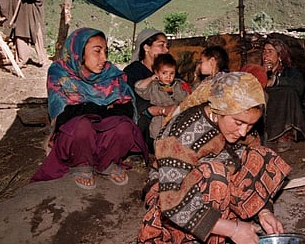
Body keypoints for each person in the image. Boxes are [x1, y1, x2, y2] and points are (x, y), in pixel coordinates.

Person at [136, 72, 291, 244]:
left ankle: (225, 223)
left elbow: (247, 165)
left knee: (259, 155)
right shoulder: (181, 135)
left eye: (250, 125)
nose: (243, 132)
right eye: (238, 123)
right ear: (218, 111)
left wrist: (262, 211)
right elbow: (171, 200)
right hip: (170, 194)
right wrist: (233, 229)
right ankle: (190, 240)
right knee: (216, 173)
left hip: (211, 187)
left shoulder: (241, 126)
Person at [30, 27, 148, 190]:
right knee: (82, 126)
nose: (104, 58)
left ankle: (108, 162)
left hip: (104, 135)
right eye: (97, 51)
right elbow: (66, 115)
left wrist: (88, 107)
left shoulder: (112, 74)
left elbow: (127, 110)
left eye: (105, 51)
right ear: (79, 52)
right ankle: (81, 163)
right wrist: (106, 107)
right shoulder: (61, 73)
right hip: (77, 139)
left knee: (124, 127)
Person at [124, 29, 169, 153]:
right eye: (161, 45)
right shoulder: (132, 71)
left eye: (167, 46)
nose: (166, 50)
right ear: (146, 47)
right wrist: (161, 110)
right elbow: (132, 99)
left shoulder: (168, 70)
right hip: (146, 120)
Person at [134, 53, 191, 148]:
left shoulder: (179, 85)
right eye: (164, 73)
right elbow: (139, 88)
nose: (168, 77)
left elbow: (188, 98)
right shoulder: (153, 86)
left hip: (178, 119)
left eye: (171, 73)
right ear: (156, 72)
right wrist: (151, 79)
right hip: (160, 121)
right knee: (161, 143)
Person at [261, 38, 305, 153]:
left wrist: (275, 81)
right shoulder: (259, 71)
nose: (266, 55)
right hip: (266, 110)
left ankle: (286, 133)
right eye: (264, 51)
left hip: (283, 110)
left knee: (288, 92)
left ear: (280, 55)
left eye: (270, 51)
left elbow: (299, 86)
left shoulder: (291, 72)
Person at [0, 0, 50, 68]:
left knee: (37, 33)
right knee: (20, 33)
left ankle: (43, 59)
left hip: (31, 9)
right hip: (18, 10)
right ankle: (21, 60)